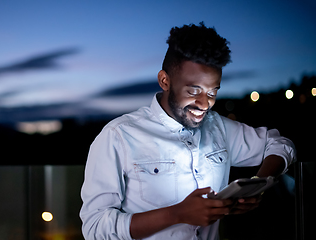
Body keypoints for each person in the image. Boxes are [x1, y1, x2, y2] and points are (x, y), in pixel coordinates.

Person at [80, 22, 296, 240]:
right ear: (165, 80)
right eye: (194, 90)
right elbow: (95, 229)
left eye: (212, 92)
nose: (205, 104)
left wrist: (258, 184)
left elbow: (280, 144)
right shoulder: (118, 136)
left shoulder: (218, 127)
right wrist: (177, 214)